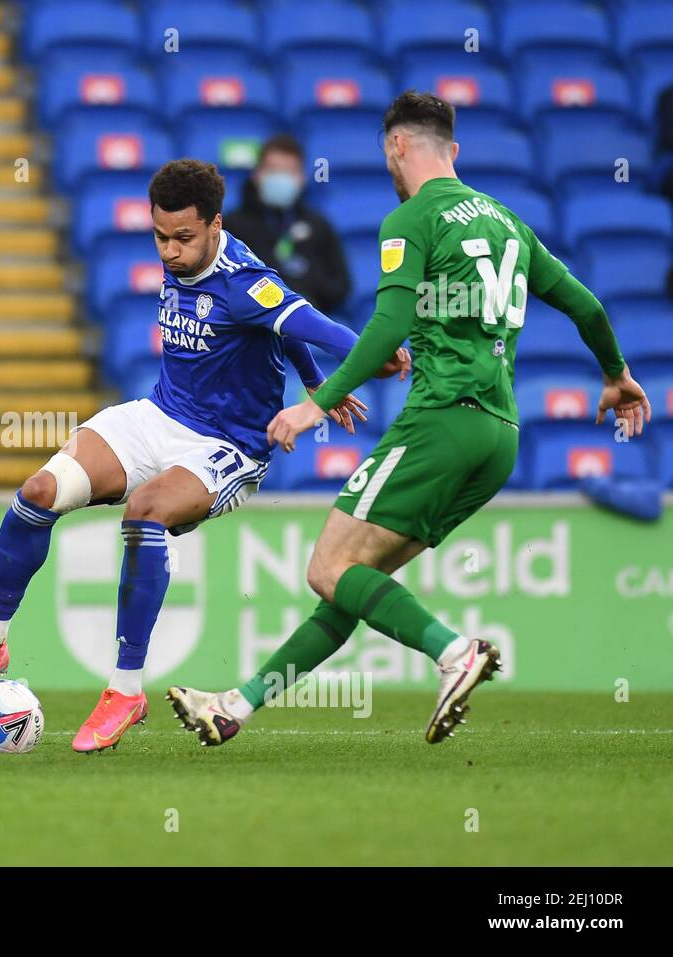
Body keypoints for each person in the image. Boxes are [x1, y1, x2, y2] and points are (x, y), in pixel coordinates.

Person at [167, 92, 652, 747]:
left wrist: (315, 400)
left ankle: (454, 652)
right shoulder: (509, 222)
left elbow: (388, 325)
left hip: (441, 419)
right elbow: (588, 306)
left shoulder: (410, 219)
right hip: (500, 437)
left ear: (396, 147)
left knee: (328, 569)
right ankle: (238, 704)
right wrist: (616, 374)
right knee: (353, 582)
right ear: (451, 149)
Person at [0, 158, 409, 753]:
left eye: (183, 238)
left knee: (145, 510)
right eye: (160, 236)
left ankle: (125, 689)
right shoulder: (193, 250)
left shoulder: (244, 282)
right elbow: (280, 331)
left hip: (229, 445)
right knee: (38, 492)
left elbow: (303, 320)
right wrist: (316, 380)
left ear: (215, 225)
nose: (169, 251)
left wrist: (372, 355)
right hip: (159, 413)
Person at [223, 134, 351, 315]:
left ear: (302, 178)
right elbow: (223, 284)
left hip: (312, 319)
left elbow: (341, 286)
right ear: (257, 174)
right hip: (253, 323)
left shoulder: (318, 224)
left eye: (289, 172)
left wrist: (307, 281)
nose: (281, 178)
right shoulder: (233, 225)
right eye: (273, 171)